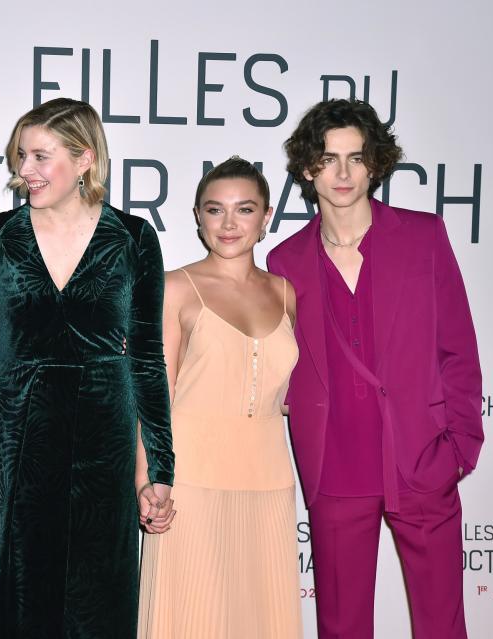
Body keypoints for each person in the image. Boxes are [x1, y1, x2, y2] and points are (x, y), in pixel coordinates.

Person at [0, 97, 175, 639]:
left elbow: (147, 356)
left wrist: (161, 468)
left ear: (85, 160)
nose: (22, 171)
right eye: (20, 157)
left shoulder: (133, 237)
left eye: (38, 156)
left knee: (95, 595)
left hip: (103, 429)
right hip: (15, 429)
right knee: (16, 586)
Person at [267, 98, 484, 638]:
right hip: (335, 472)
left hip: (420, 460)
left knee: (442, 626)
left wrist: (459, 448)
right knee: (342, 629)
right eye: (328, 158)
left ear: (375, 164)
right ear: (307, 167)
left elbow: (458, 348)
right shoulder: (285, 262)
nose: (342, 173)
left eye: (356, 158)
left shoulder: (422, 236)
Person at [137, 158, 303, 638]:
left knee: (261, 619)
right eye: (215, 210)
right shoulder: (173, 288)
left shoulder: (288, 293)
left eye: (244, 209)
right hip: (190, 483)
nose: (229, 224)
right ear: (197, 216)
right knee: (190, 616)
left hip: (269, 479)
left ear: (266, 217)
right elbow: (153, 398)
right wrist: (148, 480)